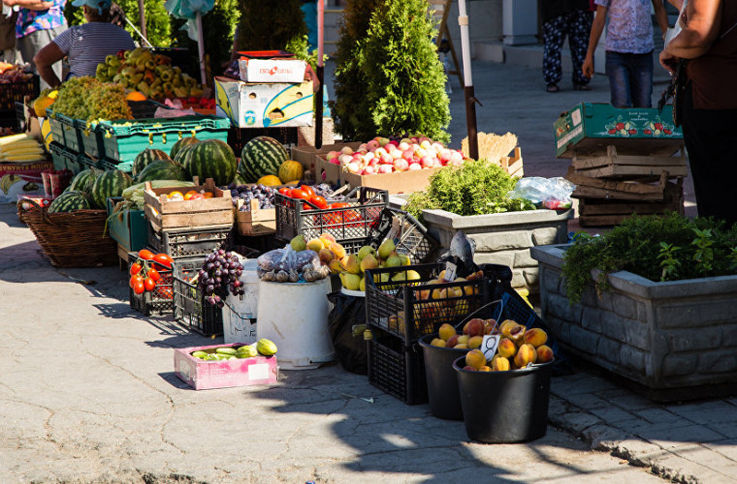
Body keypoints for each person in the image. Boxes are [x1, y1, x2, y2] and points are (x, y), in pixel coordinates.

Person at [659, 0, 737, 225]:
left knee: (720, 206)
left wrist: (670, 49)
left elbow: (698, 35)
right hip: (721, 99)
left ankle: (723, 255)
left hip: (715, 101)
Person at [582, 0, 669, 107]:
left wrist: (669, 44)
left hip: (643, 51)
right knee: (621, 104)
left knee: (644, 105)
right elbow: (599, 18)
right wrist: (589, 55)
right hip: (617, 52)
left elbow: (659, 8)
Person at [33, 0, 134, 87]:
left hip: (82, 97)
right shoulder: (125, 36)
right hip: (118, 96)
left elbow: (40, 60)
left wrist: (59, 88)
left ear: (85, 10)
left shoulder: (75, 33)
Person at [1, 0, 66, 88]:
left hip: (44, 28)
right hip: (28, 29)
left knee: (46, 86)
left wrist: (14, 1)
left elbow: (46, 2)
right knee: (28, 83)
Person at [541, 0, 594, 93]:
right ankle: (551, 80)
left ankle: (582, 78)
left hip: (580, 7)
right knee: (553, 45)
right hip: (555, 8)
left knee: (581, 43)